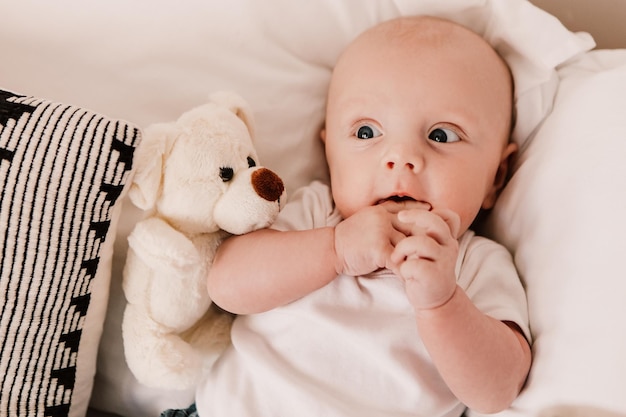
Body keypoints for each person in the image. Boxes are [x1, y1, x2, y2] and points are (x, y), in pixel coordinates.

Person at [165, 15, 532, 417]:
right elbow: (225, 284)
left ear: (496, 177)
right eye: (366, 132)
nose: (400, 158)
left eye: (441, 135)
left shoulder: (475, 264)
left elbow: (498, 391)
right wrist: (334, 248)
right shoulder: (317, 214)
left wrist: (442, 303)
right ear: (329, 153)